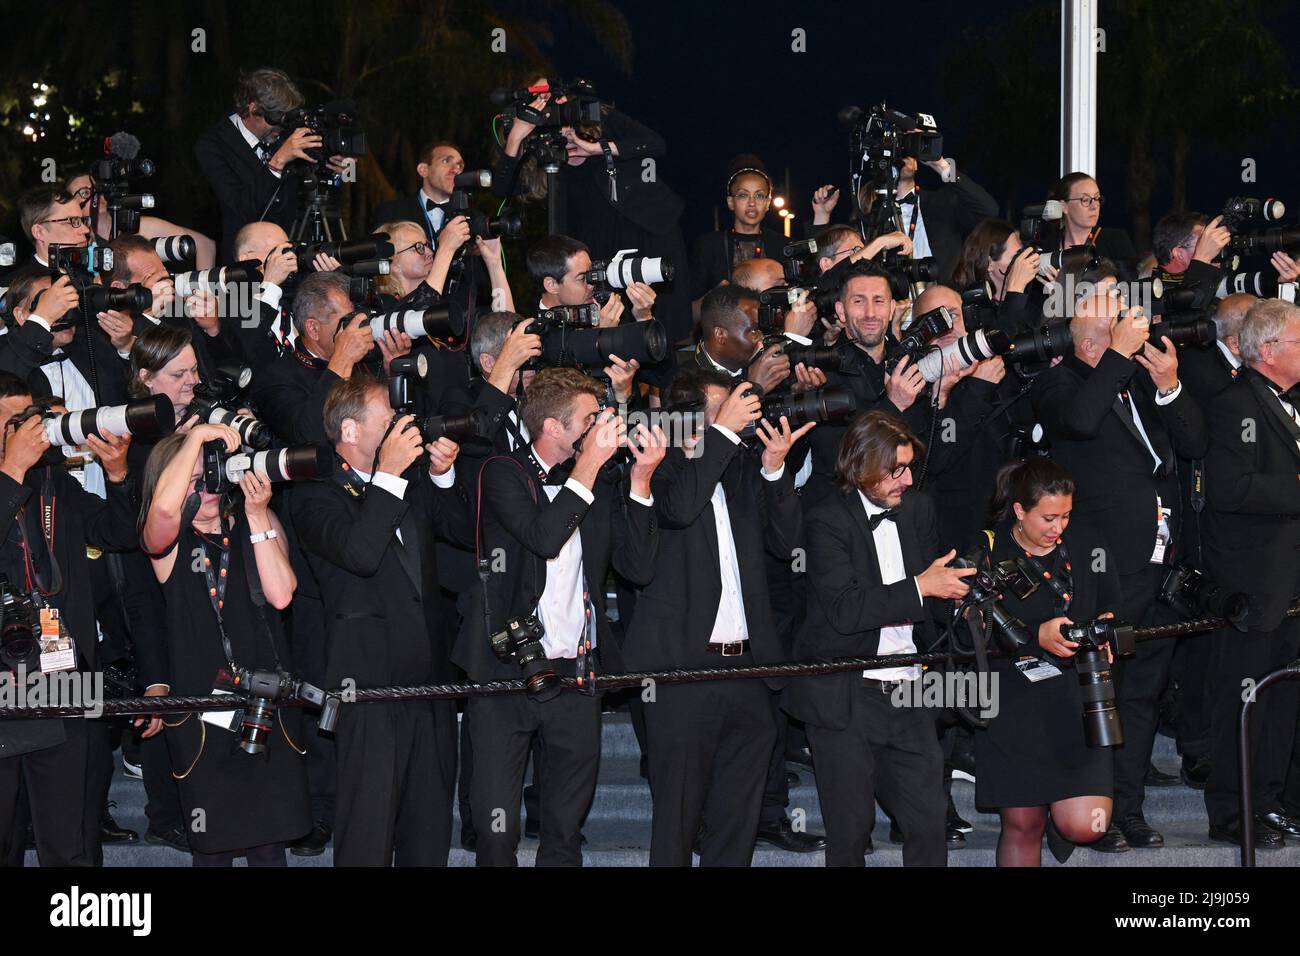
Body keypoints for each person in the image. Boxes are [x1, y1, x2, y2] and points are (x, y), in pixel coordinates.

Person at [454, 368, 664, 866]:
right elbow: (544, 537)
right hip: (505, 672)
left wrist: (639, 483)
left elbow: (638, 567)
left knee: (565, 833)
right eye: (589, 420)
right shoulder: (502, 472)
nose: (599, 429)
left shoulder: (598, 480)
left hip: (576, 674)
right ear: (552, 427)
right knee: (495, 828)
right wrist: (588, 469)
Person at [1031, 263, 1207, 852]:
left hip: (1161, 569)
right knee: (1100, 692)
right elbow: (1079, 424)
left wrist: (1172, 386)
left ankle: (1127, 810)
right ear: (1082, 325)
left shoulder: (1135, 380)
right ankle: (1090, 813)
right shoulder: (1058, 382)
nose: (1126, 315)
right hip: (1103, 571)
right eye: (1111, 305)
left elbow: (1193, 445)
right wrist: (1117, 359)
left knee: (1142, 695)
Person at [626, 370, 813, 864]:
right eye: (724, 411)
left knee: (737, 826)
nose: (741, 419)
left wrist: (774, 470)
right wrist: (723, 434)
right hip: (681, 672)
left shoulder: (742, 471)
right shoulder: (655, 472)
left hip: (751, 671)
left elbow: (789, 546)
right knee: (678, 822)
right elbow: (681, 509)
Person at [290, 375, 472, 865]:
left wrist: (442, 477)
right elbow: (360, 554)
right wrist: (390, 475)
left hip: (431, 686)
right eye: (388, 420)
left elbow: (461, 535)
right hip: (366, 689)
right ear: (350, 430)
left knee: (428, 831)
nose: (400, 427)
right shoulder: (313, 496)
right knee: (367, 834)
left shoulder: (408, 484)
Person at [786, 410, 974, 866]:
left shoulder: (919, 509)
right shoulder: (827, 519)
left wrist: (959, 599)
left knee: (929, 825)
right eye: (897, 470)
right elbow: (847, 611)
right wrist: (921, 587)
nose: (907, 480)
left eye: (910, 467)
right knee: (850, 832)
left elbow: (931, 594)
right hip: (846, 692)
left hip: (911, 689)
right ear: (861, 466)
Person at [138, 422, 311, 866]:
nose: (209, 488)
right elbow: (161, 514)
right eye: (194, 481)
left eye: (212, 473)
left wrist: (256, 516)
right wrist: (195, 438)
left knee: (269, 844)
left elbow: (281, 594)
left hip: (265, 702)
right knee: (213, 846)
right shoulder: (169, 542)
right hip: (203, 712)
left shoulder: (256, 520)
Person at [0, 372, 137, 866]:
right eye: (12, 421)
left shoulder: (54, 483)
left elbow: (121, 532)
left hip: (61, 679)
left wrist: (118, 473)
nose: (27, 430)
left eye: (29, 418)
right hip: (2, 686)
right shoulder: (19, 480)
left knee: (73, 841)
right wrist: (10, 476)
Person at [972, 458, 1121, 865]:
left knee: (1086, 825)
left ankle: (1061, 816)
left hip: (1077, 697)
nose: (1059, 528)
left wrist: (1107, 627)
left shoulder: (1088, 541)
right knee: (1023, 824)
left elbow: (1113, 602)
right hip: (1012, 696)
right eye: (1049, 517)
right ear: (1019, 511)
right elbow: (968, 635)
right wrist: (1036, 637)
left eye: (1066, 516)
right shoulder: (988, 549)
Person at [1201, 299, 1300, 847]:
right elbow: (1230, 490)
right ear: (1269, 350)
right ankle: (1231, 814)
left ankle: (1268, 803)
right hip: (1251, 583)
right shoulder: (1235, 404)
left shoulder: (1288, 403)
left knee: (1283, 699)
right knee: (1244, 700)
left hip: (1289, 584)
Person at [494, 83, 691, 343]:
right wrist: (516, 137)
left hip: (648, 230)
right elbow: (501, 189)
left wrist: (598, 148)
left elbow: (655, 144)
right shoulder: (542, 153)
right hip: (597, 250)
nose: (546, 106)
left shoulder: (594, 113)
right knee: (617, 329)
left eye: (550, 98)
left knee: (664, 327)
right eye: (536, 103)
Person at [194, 68, 351, 262]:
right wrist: (277, 162)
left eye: (287, 118)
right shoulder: (212, 145)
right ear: (252, 109)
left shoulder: (285, 132)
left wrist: (338, 171)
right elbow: (240, 208)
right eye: (275, 118)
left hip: (297, 252)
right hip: (249, 262)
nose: (281, 126)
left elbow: (311, 183)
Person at [809, 147, 998, 281]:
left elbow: (988, 210)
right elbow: (823, 269)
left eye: (907, 152)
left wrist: (941, 165)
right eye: (895, 153)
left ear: (917, 164)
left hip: (944, 308)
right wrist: (821, 216)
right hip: (886, 319)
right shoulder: (867, 216)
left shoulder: (943, 203)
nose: (902, 157)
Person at [688, 158, 788, 317]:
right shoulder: (708, 246)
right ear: (731, 202)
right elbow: (689, 312)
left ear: (768, 203)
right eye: (743, 195)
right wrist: (715, 298)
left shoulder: (782, 244)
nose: (752, 203)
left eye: (760, 196)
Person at [1044, 172, 1137, 278]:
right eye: (1085, 200)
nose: (1094, 206)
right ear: (1064, 206)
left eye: (1097, 198)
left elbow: (1130, 288)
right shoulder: (1048, 247)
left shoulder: (1115, 241)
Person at [370, 141, 467, 242]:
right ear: (423, 170)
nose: (456, 170)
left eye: (460, 166)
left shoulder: (472, 218)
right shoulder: (391, 212)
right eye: (446, 161)